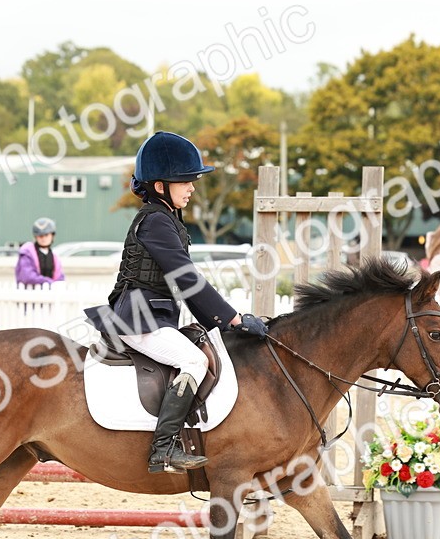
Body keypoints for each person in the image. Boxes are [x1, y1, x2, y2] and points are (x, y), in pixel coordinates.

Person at [84, 131, 267, 474]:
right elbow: (188, 279)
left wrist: (223, 324)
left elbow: (185, 287)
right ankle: (163, 448)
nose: (192, 187)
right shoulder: (155, 221)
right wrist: (234, 320)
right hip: (138, 319)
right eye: (184, 181)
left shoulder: (167, 219)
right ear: (158, 186)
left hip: (152, 317)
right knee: (195, 362)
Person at [15, 217, 65, 287]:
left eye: (46, 235)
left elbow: (60, 277)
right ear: (36, 237)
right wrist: (49, 282)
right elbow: (27, 276)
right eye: (40, 236)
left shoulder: (54, 257)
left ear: (52, 236)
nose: (44, 239)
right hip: (30, 294)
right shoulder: (27, 253)